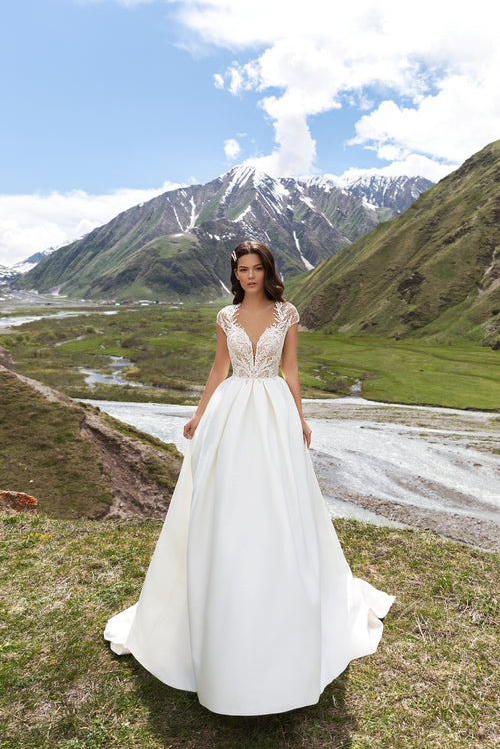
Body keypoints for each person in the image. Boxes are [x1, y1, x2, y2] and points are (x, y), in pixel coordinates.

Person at [104, 240, 394, 716]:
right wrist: (199, 416)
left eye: (257, 268)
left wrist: (300, 418)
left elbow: (291, 369)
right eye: (243, 269)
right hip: (231, 413)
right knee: (226, 504)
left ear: (268, 271)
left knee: (281, 503)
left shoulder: (287, 313)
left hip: (275, 412)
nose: (250, 276)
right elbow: (220, 367)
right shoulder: (225, 317)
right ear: (234, 275)